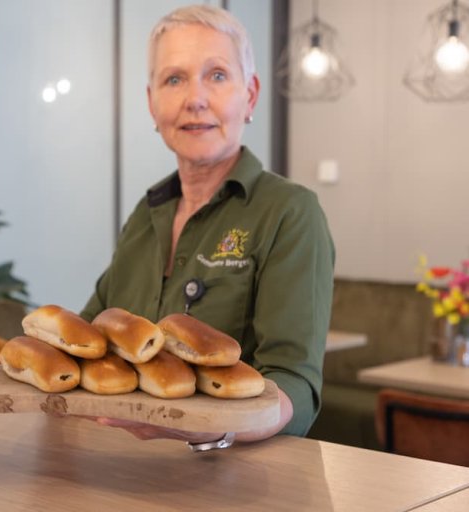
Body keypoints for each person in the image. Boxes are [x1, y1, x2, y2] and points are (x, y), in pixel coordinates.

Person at [80, 5, 335, 448]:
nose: (194, 98)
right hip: (120, 472)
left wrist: (210, 427)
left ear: (250, 95)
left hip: (237, 482)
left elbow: (295, 386)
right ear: (152, 103)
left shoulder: (291, 213)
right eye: (174, 79)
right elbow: (89, 337)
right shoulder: (146, 214)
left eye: (217, 75)